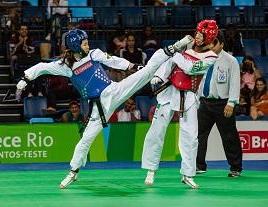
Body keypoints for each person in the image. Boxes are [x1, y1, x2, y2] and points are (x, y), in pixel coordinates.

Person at [15, 29, 193, 189]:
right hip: (98, 108)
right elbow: (42, 67)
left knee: (147, 71)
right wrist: (24, 80)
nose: (88, 45)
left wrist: (130, 66)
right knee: (86, 139)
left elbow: (113, 60)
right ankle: (73, 172)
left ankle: (177, 45)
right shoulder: (66, 66)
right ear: (76, 46)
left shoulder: (93, 54)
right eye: (84, 43)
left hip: (114, 91)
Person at [142, 20, 219, 189]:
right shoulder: (186, 46)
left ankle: (188, 174)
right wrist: (159, 76)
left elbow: (190, 68)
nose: (197, 36)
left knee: (191, 137)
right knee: (156, 131)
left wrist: (175, 51)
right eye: (197, 33)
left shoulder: (211, 57)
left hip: (189, 97)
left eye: (202, 34)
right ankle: (150, 170)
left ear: (209, 38)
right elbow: (169, 63)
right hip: (169, 92)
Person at [196, 31, 243, 178]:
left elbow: (235, 83)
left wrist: (231, 102)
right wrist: (197, 99)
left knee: (229, 136)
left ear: (221, 44)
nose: (210, 45)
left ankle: (235, 167)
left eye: (213, 42)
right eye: (209, 42)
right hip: (204, 102)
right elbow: (200, 80)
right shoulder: (203, 57)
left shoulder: (230, 61)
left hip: (223, 103)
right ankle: (199, 165)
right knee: (199, 136)